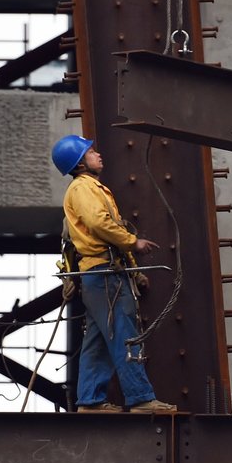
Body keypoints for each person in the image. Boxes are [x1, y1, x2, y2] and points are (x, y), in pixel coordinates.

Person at [51, 134, 176, 413]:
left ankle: (90, 401)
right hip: (104, 273)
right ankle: (141, 398)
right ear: (80, 164)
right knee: (124, 334)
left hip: (101, 273)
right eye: (91, 152)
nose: (98, 154)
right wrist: (133, 242)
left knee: (97, 341)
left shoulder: (91, 187)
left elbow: (105, 229)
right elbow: (99, 223)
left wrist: (133, 271)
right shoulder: (83, 188)